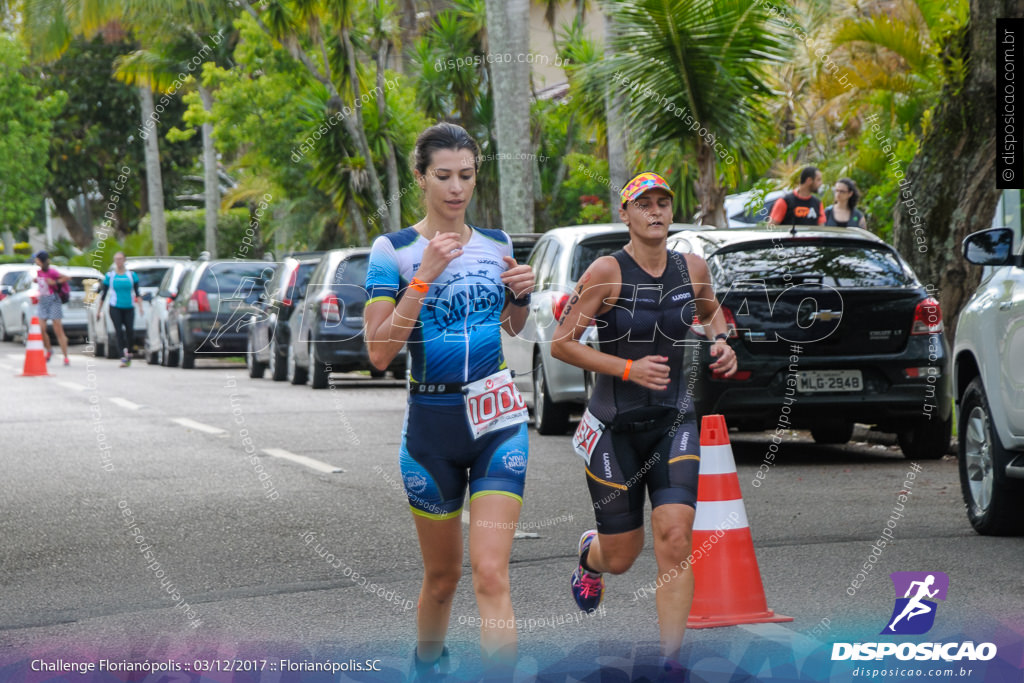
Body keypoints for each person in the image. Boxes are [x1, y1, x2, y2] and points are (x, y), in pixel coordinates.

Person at [363, 122, 535, 680]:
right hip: (432, 429)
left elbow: (511, 325)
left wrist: (521, 296)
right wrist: (425, 278)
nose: (456, 188)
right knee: (444, 579)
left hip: (498, 419)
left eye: (466, 175)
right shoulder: (394, 250)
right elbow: (379, 352)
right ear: (420, 177)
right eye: (443, 176)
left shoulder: (498, 243)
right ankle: (428, 664)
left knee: (491, 574)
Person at [550, 172, 738, 670]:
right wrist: (627, 367)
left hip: (674, 420)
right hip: (614, 426)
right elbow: (561, 342)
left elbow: (712, 312)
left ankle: (671, 663)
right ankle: (591, 555)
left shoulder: (691, 267)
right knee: (621, 558)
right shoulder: (605, 273)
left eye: (662, 202)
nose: (655, 211)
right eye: (643, 204)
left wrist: (722, 344)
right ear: (625, 214)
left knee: (676, 538)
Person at [96, 252, 142, 367]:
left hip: (129, 307)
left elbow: (137, 293)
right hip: (115, 307)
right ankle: (122, 355)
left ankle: (129, 352)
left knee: (130, 331)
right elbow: (104, 294)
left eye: (121, 259)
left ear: (124, 260)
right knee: (118, 331)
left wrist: (140, 307)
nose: (119, 261)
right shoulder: (110, 276)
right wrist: (98, 311)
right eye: (116, 259)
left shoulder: (132, 275)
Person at [34, 251, 71, 366]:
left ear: (42, 261)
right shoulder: (39, 272)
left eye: (38, 260)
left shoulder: (52, 272)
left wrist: (54, 282)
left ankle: (65, 356)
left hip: (53, 300)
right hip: (43, 301)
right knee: (41, 328)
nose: (36, 262)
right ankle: (49, 350)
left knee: (58, 330)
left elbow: (67, 277)